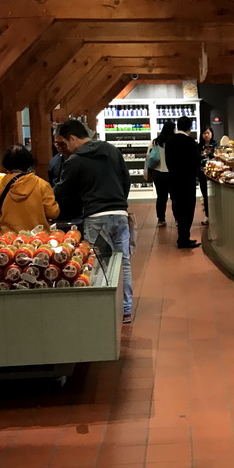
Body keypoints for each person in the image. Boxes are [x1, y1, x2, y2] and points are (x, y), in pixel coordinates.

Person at [56, 120, 134, 322]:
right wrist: (119, 201)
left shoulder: (75, 160)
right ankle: (125, 309)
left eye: (63, 143)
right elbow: (126, 180)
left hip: (96, 217)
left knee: (100, 263)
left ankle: (105, 311)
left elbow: (62, 191)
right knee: (123, 262)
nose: (63, 148)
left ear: (72, 138)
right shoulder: (112, 150)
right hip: (120, 215)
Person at [0, 145, 60, 233]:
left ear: (5, 163)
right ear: (28, 162)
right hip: (38, 239)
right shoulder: (42, 185)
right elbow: (52, 213)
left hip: (9, 239)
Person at [166, 116, 202, 249]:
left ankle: (183, 238)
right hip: (187, 181)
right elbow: (196, 160)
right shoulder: (190, 141)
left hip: (174, 180)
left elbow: (168, 161)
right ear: (189, 127)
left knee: (178, 209)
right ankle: (183, 239)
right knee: (188, 211)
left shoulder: (170, 141)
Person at [51, 127, 84, 228]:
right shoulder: (55, 162)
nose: (60, 147)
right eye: (57, 144)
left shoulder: (83, 160)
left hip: (81, 213)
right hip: (60, 213)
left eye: (63, 144)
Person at [147, 121, 174, 227]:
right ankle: (176, 219)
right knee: (174, 197)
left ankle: (161, 219)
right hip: (171, 173)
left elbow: (149, 156)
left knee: (161, 197)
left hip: (158, 173)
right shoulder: (173, 141)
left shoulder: (155, 142)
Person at [198, 127, 217, 223]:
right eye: (204, 133)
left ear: (212, 134)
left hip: (215, 173)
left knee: (215, 195)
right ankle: (207, 216)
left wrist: (211, 154)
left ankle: (216, 215)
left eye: (208, 133)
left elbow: (219, 157)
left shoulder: (216, 145)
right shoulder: (199, 146)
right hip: (202, 173)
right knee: (205, 194)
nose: (206, 135)